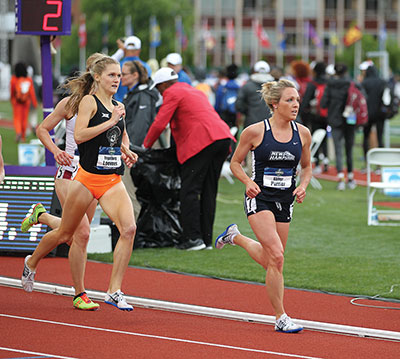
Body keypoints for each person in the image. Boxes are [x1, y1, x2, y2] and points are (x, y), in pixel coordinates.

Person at [21, 54, 138, 311]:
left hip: (101, 173)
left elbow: (119, 134)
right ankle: (75, 290)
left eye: (119, 75)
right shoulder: (74, 102)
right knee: (78, 233)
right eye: (112, 74)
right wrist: (55, 151)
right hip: (71, 170)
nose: (116, 79)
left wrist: (124, 150)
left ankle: (40, 216)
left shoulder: (115, 104)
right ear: (94, 74)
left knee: (74, 232)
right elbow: (44, 129)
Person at [215, 79, 311, 333]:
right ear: (274, 104)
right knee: (277, 256)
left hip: (285, 201)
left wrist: (303, 186)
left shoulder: (303, 133)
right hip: (259, 198)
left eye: (297, 100)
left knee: (273, 260)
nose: (295, 104)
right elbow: (235, 162)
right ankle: (281, 317)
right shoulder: (255, 132)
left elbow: (307, 167)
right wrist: (247, 181)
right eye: (289, 100)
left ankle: (235, 237)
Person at [142, 67, 234, 250]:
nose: (159, 92)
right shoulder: (193, 90)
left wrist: (145, 146)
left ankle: (193, 239)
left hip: (203, 142)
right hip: (222, 138)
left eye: (159, 88)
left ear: (163, 85)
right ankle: (206, 240)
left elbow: (160, 122)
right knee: (209, 190)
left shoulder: (172, 92)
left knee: (189, 190)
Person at [120, 60, 160, 218]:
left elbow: (139, 126)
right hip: (133, 150)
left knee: (128, 189)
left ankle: (132, 225)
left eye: (123, 74)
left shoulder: (142, 96)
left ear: (135, 75)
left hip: (133, 152)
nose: (120, 77)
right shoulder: (134, 94)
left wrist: (129, 151)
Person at [320, 63, 356, 190]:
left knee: (338, 150)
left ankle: (341, 178)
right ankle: (351, 177)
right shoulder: (352, 84)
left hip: (335, 120)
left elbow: (323, 103)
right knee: (349, 150)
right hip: (350, 121)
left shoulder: (330, 85)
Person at [299, 61, 329, 173]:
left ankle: (316, 163)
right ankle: (325, 160)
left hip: (314, 115)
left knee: (315, 137)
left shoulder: (312, 84)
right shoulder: (328, 83)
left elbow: (305, 101)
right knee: (324, 137)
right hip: (326, 115)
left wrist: (302, 112)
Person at [360, 63, 387, 168]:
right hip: (380, 114)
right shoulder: (382, 82)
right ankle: (379, 165)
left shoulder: (364, 83)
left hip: (367, 114)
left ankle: (366, 163)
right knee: (380, 138)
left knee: (365, 137)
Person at [236, 60, 273, 129]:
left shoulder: (247, 86)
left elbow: (239, 104)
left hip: (251, 122)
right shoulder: (274, 86)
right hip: (270, 123)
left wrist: (249, 112)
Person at [113, 36, 152, 102]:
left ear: (125, 49)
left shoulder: (116, 65)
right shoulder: (146, 67)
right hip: (139, 104)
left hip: (118, 106)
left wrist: (120, 52)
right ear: (139, 50)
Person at [10, 62, 38, 142]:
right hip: (26, 102)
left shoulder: (13, 79)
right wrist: (34, 102)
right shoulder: (28, 79)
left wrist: (12, 99)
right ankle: (23, 136)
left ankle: (18, 132)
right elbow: (32, 93)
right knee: (24, 119)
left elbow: (12, 91)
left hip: (17, 102)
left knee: (17, 118)